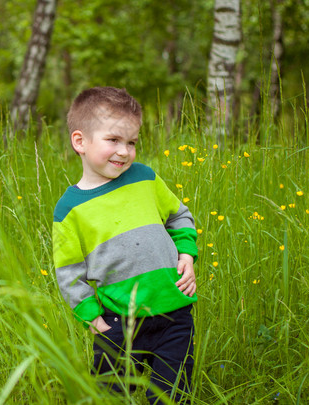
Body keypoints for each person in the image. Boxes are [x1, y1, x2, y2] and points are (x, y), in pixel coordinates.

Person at [52, 87, 198, 404]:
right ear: (80, 142)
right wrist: (90, 314)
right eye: (114, 140)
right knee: (112, 395)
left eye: (131, 142)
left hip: (174, 311)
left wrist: (186, 254)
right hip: (117, 322)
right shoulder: (69, 209)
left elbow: (179, 216)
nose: (124, 151)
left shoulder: (144, 178)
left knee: (171, 395)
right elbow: (68, 271)